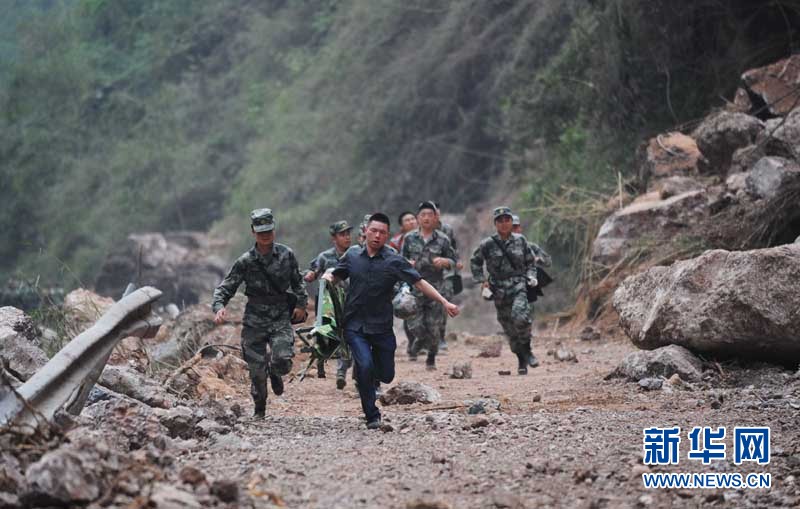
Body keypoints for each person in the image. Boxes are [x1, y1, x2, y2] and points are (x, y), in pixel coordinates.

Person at [322, 213, 459, 429]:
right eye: (373, 231)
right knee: (365, 366)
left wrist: (444, 302)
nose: (377, 236)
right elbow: (336, 275)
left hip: (381, 327)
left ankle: (370, 375)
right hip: (355, 325)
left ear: (387, 235)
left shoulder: (394, 260)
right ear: (366, 231)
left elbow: (420, 283)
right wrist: (328, 278)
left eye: (382, 232)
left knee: (386, 374)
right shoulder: (352, 256)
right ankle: (372, 415)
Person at [212, 208, 307, 418]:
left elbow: (298, 282)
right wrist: (219, 307)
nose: (265, 235)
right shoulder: (245, 261)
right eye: (261, 231)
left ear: (274, 230)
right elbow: (226, 287)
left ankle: (275, 372)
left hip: (280, 316)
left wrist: (301, 304)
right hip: (254, 320)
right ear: (253, 232)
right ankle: (260, 410)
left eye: (269, 231)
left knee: (282, 359)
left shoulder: (286, 254)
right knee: (256, 371)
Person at [470, 206, 539, 375]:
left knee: (520, 316)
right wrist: (482, 280)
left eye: (507, 220)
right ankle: (521, 358)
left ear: (511, 221)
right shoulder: (487, 244)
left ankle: (528, 350)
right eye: (500, 221)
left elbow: (531, 262)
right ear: (495, 223)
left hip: (518, 285)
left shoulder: (520, 240)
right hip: (499, 289)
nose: (504, 223)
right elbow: (475, 262)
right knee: (509, 328)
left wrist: (531, 276)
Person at [402, 201, 456, 369]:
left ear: (435, 218)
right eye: (423, 215)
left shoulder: (443, 239)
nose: (426, 218)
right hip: (415, 286)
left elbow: (454, 261)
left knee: (434, 327)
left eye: (429, 215)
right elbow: (399, 260)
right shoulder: (409, 238)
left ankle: (431, 357)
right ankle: (419, 341)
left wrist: (445, 261)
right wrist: (406, 263)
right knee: (415, 324)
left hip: (436, 287)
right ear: (418, 218)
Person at [304, 220, 354, 388]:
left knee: (350, 335)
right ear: (334, 238)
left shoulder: (356, 254)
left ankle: (345, 370)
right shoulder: (325, 257)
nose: (347, 237)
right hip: (328, 305)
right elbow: (313, 271)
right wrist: (310, 275)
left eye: (348, 234)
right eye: (342, 234)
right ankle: (326, 363)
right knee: (329, 334)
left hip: (351, 302)